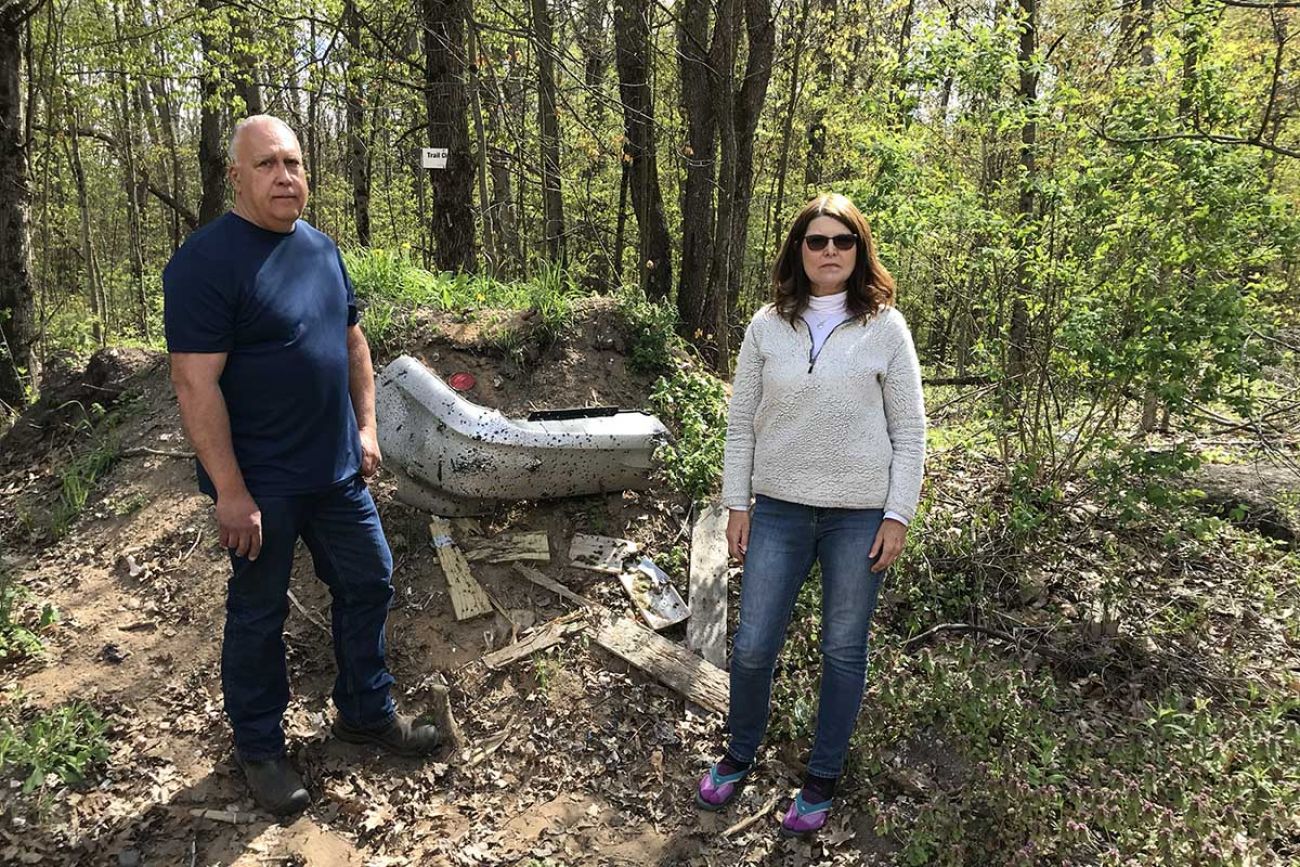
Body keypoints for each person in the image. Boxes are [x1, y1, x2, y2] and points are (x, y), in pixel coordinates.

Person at [163, 115, 438, 817]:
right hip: (262, 486)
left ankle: (364, 711)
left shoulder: (321, 250)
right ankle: (259, 746)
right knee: (258, 615)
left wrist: (367, 427)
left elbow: (353, 345)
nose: (285, 177)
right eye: (267, 165)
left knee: (370, 579)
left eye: (293, 163)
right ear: (235, 176)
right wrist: (230, 490)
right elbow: (195, 385)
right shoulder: (205, 263)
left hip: (336, 472)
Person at [695, 193, 926, 837]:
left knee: (843, 649)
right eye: (818, 241)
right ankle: (740, 754)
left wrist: (897, 514)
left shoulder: (887, 327)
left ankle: (822, 778)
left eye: (843, 241)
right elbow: (741, 422)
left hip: (859, 516)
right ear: (799, 248)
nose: (830, 252)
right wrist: (735, 503)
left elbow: (910, 432)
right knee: (752, 645)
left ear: (860, 251)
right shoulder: (767, 325)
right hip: (779, 510)